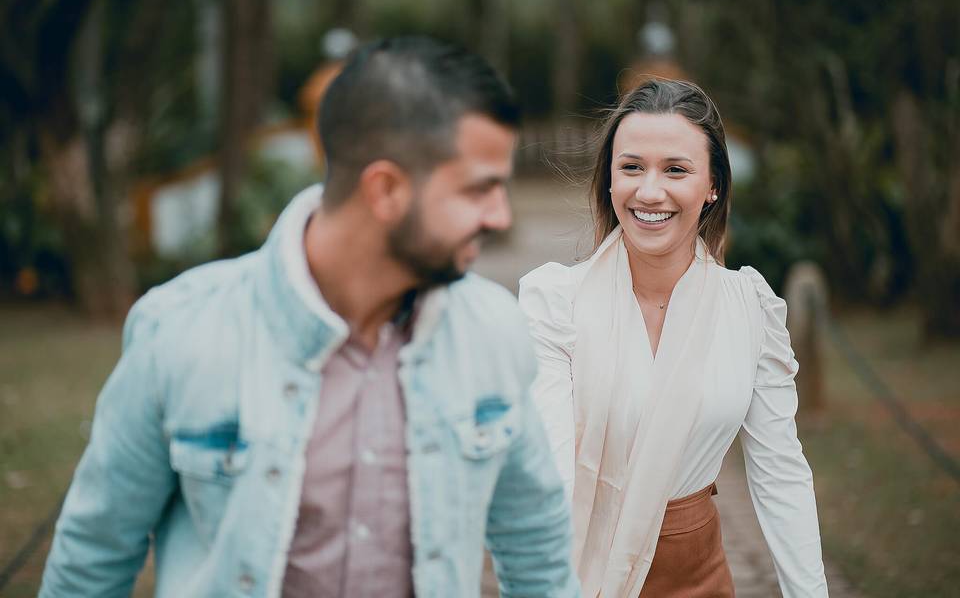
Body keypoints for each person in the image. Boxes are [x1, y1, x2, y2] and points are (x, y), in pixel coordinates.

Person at [41, 36, 580, 598]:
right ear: (386, 190)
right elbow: (92, 561)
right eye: (480, 189)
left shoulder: (493, 330)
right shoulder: (180, 331)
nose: (500, 216)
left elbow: (538, 554)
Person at [519, 78, 829, 597]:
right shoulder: (554, 303)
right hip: (582, 572)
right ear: (609, 181)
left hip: (698, 574)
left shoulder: (749, 309)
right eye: (632, 167)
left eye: (676, 170)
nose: (650, 191)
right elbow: (550, 470)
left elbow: (780, 474)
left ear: (713, 186)